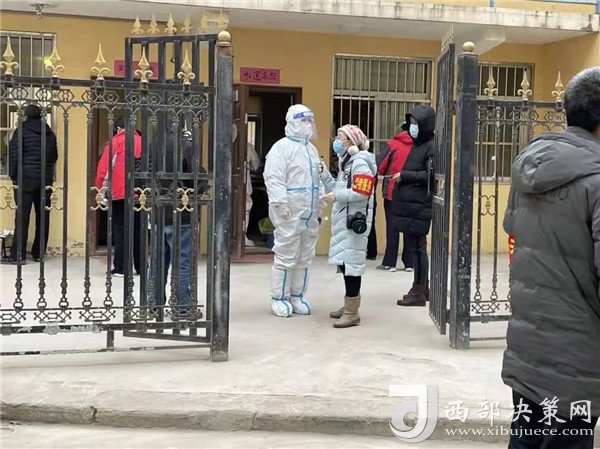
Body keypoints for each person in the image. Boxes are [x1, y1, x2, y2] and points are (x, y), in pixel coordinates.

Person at [503, 67, 600, 449]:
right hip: (579, 356)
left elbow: (514, 232)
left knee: (525, 439)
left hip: (529, 344)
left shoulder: (530, 164)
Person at [264, 104, 323, 318]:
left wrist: (321, 200)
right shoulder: (281, 148)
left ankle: (297, 296)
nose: (307, 125)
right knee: (286, 256)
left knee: (304, 257)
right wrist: (281, 203)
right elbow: (274, 178)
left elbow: (317, 178)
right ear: (292, 122)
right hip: (289, 212)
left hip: (309, 213)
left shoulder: (311, 149)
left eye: (310, 121)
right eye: (303, 121)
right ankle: (279, 298)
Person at [147, 128, 208, 317]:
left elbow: (144, 177)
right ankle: (182, 306)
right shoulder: (187, 147)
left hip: (158, 212)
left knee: (157, 260)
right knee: (182, 261)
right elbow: (196, 181)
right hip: (182, 213)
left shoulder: (154, 147)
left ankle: (154, 305)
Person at [321, 125, 376, 328]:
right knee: (346, 265)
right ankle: (348, 305)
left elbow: (362, 191)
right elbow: (338, 187)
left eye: (340, 137)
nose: (337, 141)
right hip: (345, 221)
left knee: (352, 266)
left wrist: (336, 196)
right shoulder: (347, 162)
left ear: (352, 142)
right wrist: (324, 174)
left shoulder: (359, 162)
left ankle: (352, 313)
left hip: (353, 223)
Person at [391, 105, 435, 307]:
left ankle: (418, 291)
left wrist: (404, 175)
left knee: (418, 247)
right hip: (411, 205)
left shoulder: (431, 146)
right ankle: (422, 287)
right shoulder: (419, 145)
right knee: (416, 247)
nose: (412, 127)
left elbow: (430, 176)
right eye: (411, 123)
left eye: (416, 123)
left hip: (419, 205)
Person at [4, 104, 58, 264]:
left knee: (22, 216)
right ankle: (39, 253)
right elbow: (54, 156)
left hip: (25, 179)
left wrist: (14, 176)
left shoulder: (21, 131)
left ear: (26, 116)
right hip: (45, 180)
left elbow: (14, 155)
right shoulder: (49, 133)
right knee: (43, 216)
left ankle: (18, 255)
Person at [94, 116, 142, 277]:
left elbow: (104, 171)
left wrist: (100, 191)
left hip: (120, 192)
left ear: (118, 129)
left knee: (121, 230)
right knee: (138, 230)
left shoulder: (115, 143)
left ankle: (122, 267)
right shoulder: (142, 142)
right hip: (140, 194)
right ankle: (142, 267)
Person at [376, 123, 413, 273]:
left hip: (392, 192)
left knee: (392, 227)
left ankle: (390, 262)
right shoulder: (419, 146)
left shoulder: (392, 144)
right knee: (409, 227)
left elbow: (380, 166)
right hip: (412, 192)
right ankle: (410, 263)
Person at [245, 141, 261, 247]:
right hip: (243, 181)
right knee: (245, 208)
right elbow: (256, 165)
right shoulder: (247, 146)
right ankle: (242, 236)